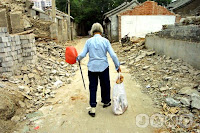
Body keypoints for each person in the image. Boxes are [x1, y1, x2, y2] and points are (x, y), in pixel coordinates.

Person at [77, 23, 121, 117]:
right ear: (101, 30)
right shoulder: (105, 41)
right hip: (103, 67)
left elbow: (83, 54)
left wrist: (77, 59)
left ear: (92, 31)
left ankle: (93, 109)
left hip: (92, 68)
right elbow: (113, 55)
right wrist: (117, 66)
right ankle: (106, 102)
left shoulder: (89, 42)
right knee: (105, 85)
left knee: (93, 87)